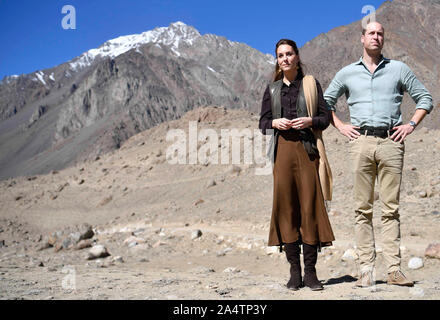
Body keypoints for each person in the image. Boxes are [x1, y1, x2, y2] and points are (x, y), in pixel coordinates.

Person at [324, 21, 434, 287]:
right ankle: (366, 270)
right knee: (362, 209)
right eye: (371, 33)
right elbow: (324, 102)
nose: (376, 37)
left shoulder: (398, 69)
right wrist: (340, 125)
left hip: (391, 142)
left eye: (380, 33)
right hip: (360, 142)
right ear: (362, 39)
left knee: (391, 208)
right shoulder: (347, 73)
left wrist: (410, 125)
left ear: (384, 39)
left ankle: (394, 269)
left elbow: (425, 98)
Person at [259, 39, 335, 291]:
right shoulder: (272, 90)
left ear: (297, 56)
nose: (285, 59)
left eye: (289, 54)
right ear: (277, 60)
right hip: (282, 153)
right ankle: (295, 272)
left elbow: (325, 118)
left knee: (309, 208)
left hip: (307, 152)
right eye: (280, 55)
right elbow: (262, 123)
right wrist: (275, 124)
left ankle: (311, 273)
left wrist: (310, 121)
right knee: (287, 209)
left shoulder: (311, 85)